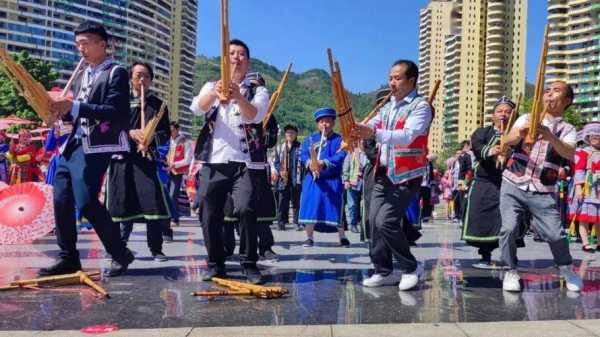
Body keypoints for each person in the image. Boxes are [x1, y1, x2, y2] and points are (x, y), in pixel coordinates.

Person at [40, 21, 134, 277]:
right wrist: (57, 112)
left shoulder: (116, 72)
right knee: (61, 199)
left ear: (102, 44)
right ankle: (68, 257)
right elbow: (76, 114)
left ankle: (119, 252)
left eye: (85, 43)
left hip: (96, 146)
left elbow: (116, 112)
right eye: (77, 44)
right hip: (72, 144)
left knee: (87, 202)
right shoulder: (83, 74)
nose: (80, 49)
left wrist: (74, 107)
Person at [190, 39, 269, 284]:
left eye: (241, 54)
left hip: (244, 162)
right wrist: (215, 91)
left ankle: (249, 263)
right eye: (231, 53)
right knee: (208, 211)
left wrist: (237, 96)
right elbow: (196, 109)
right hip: (213, 161)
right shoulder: (210, 85)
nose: (236, 57)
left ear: (248, 61)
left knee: (246, 209)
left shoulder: (257, 90)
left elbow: (256, 115)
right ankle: (215, 263)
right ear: (224, 59)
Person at [352, 59, 432, 291]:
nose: (392, 82)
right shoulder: (388, 106)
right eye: (390, 78)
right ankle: (383, 270)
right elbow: (371, 124)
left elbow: (407, 135)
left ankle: (410, 267)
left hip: (407, 175)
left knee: (385, 221)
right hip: (383, 173)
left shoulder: (421, 106)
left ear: (411, 80)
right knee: (372, 222)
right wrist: (354, 126)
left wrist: (373, 133)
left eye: (397, 78)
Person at [499, 80, 582, 292]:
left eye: (556, 91)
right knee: (508, 228)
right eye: (547, 91)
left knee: (555, 234)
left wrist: (549, 135)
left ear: (567, 101)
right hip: (513, 182)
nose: (549, 95)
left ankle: (565, 268)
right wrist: (519, 133)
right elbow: (506, 141)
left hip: (543, 189)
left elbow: (570, 153)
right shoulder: (527, 117)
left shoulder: (568, 129)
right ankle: (510, 270)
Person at [105, 62, 171, 262]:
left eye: (146, 76)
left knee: (152, 204)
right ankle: (118, 248)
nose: (141, 80)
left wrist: (150, 137)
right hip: (122, 159)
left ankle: (156, 248)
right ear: (130, 79)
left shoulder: (158, 105)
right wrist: (129, 132)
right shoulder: (118, 102)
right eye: (137, 76)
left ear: (151, 80)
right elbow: (108, 128)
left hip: (145, 159)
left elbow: (165, 132)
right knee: (120, 204)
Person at [462, 96, 514, 269]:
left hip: (509, 182)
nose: (503, 115)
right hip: (484, 182)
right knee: (483, 217)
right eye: (500, 111)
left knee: (509, 220)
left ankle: (509, 256)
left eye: (508, 112)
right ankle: (485, 255)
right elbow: (477, 148)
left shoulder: (518, 134)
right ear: (492, 115)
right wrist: (493, 150)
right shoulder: (482, 133)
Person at [298, 107, 348, 247]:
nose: (324, 124)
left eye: (327, 121)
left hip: (332, 179)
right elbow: (303, 155)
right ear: (317, 124)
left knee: (335, 206)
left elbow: (341, 155)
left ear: (333, 123)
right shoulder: (310, 139)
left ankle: (342, 236)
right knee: (310, 206)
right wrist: (311, 164)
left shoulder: (340, 140)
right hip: (313, 180)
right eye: (321, 122)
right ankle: (309, 237)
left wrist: (324, 163)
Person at [571, 122, 600, 252]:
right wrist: (578, 187)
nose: (596, 138)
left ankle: (599, 242)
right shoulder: (583, 152)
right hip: (588, 188)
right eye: (593, 136)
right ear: (588, 137)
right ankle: (585, 242)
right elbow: (579, 171)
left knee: (598, 218)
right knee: (585, 216)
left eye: (598, 136)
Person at [273, 124, 303, 231]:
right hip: (283, 179)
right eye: (288, 133)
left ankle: (296, 222)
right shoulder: (280, 147)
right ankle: (281, 222)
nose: (290, 134)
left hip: (296, 178)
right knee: (282, 202)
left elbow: (304, 162)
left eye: (292, 133)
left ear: (296, 135)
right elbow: (276, 162)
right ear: (285, 135)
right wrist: (280, 170)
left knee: (296, 202)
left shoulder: (301, 147)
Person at [166, 122, 192, 227]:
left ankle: (174, 218)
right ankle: (167, 216)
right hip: (165, 171)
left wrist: (175, 165)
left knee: (173, 195)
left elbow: (187, 160)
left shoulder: (185, 142)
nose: (170, 133)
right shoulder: (167, 141)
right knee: (166, 195)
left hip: (177, 172)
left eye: (172, 130)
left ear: (177, 129)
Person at [342, 147, 366, 234]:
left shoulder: (369, 151)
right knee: (352, 205)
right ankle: (353, 224)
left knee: (366, 205)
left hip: (365, 182)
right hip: (353, 181)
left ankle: (365, 225)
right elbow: (346, 165)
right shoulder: (352, 151)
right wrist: (346, 180)